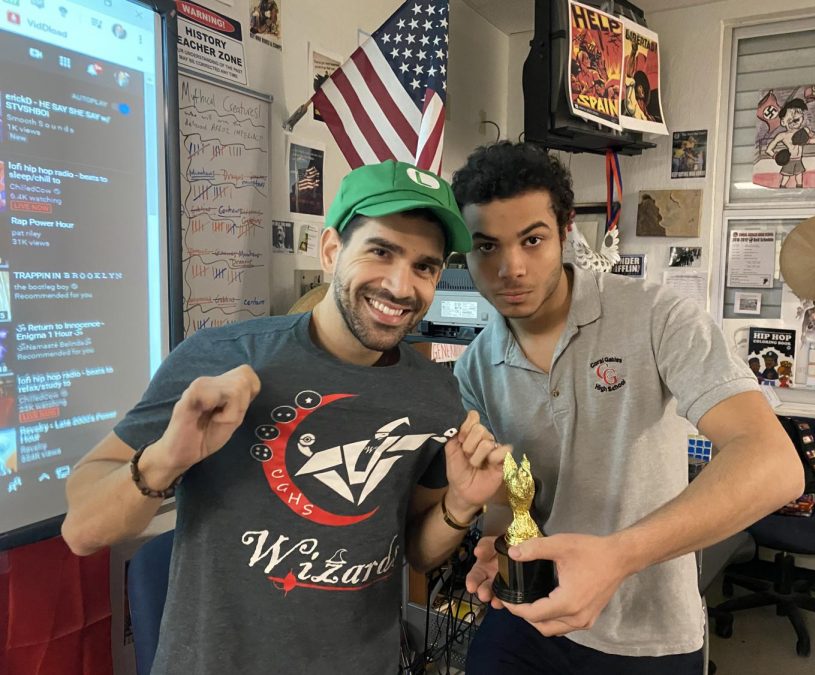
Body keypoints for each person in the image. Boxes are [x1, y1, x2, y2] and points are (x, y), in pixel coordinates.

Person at [61, 160, 507, 675]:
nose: (401, 286)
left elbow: (416, 551)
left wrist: (460, 505)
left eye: (425, 266)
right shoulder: (222, 359)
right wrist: (166, 460)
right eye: (381, 251)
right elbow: (82, 530)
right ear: (332, 250)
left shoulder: (435, 396)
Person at [450, 142, 804, 674]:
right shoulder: (475, 366)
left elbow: (775, 465)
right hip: (530, 613)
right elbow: (510, 492)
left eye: (532, 239)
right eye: (487, 247)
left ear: (566, 229)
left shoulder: (658, 316)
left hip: (647, 632)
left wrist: (616, 557)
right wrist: (497, 541)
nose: (511, 268)